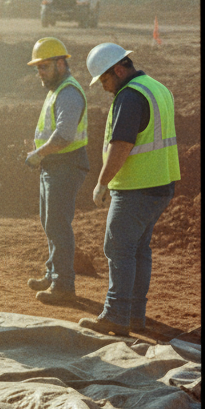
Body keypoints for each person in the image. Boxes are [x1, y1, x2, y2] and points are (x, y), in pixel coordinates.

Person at [78, 43, 180, 336]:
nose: (104, 87)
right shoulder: (157, 88)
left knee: (118, 248)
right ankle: (135, 315)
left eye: (105, 80)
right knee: (138, 250)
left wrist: (102, 183)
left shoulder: (130, 97)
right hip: (160, 185)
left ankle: (116, 316)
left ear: (119, 70)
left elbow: (122, 145)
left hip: (137, 187)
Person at [23, 37, 90, 305]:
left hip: (65, 164)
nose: (40, 72)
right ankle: (53, 274)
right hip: (54, 165)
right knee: (50, 222)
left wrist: (37, 155)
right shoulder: (57, 89)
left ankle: (64, 285)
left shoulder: (69, 92)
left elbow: (63, 136)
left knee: (58, 225)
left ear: (61, 64)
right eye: (38, 67)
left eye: (45, 66)